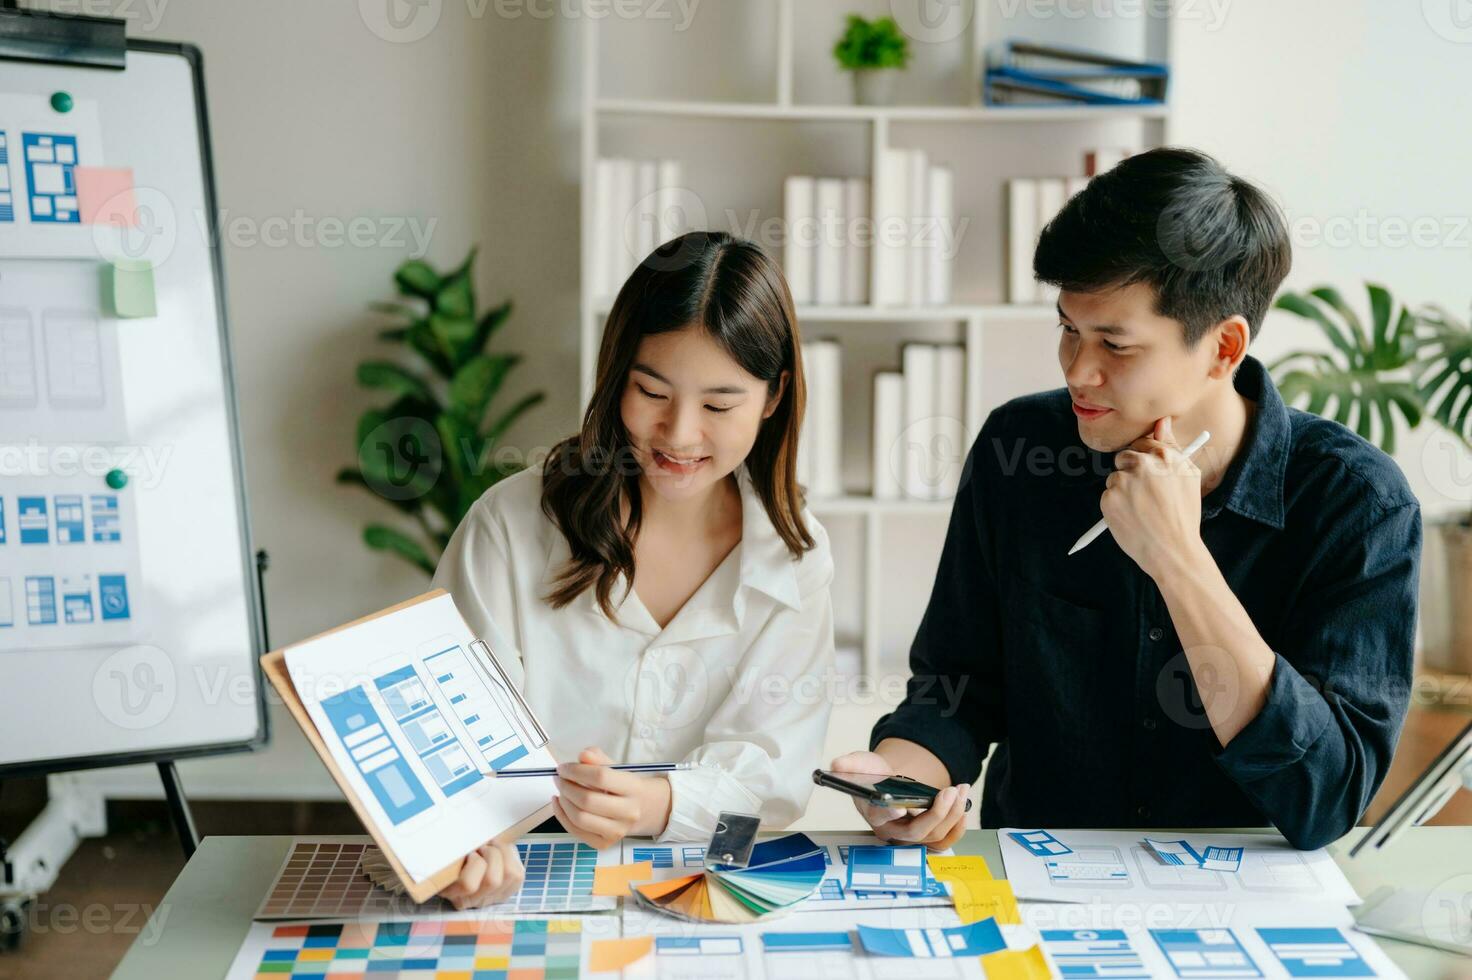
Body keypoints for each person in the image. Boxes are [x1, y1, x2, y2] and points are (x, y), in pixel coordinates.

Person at [831, 147, 1421, 853]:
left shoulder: (1358, 505)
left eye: (1116, 343)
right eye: (1069, 330)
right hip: (1037, 891)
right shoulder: (1019, 450)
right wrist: (901, 778)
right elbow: (958, 688)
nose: (1079, 370)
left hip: (1252, 912)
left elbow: (1326, 795)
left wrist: (1179, 559)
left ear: (1223, 347)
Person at [434, 231, 836, 907]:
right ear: (617, 375)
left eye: (718, 404)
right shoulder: (510, 526)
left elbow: (771, 797)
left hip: (704, 890)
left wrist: (658, 805)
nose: (680, 434)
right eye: (652, 391)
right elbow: (449, 744)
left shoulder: (794, 558)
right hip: (521, 885)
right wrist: (466, 850)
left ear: (773, 397)